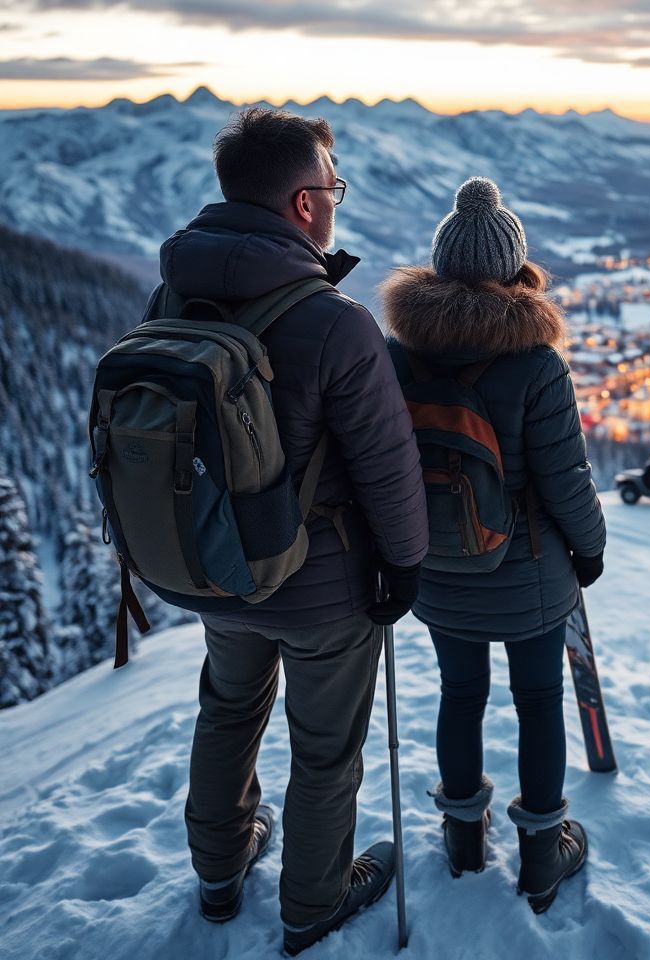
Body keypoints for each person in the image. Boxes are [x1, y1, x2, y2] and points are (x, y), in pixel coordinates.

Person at [149, 107, 429, 956]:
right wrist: (406, 565)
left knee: (228, 711)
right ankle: (313, 905)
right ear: (306, 204)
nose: (336, 204)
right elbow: (385, 460)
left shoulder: (173, 291)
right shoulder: (334, 319)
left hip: (219, 569)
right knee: (325, 749)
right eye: (332, 189)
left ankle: (220, 872)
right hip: (321, 587)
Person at [379, 176, 606, 914]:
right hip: (529, 570)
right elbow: (565, 479)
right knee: (538, 700)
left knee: (460, 694)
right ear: (514, 269)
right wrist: (591, 550)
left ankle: (463, 840)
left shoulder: (396, 354)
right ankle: (542, 857)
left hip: (436, 568)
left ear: (440, 268)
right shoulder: (537, 366)